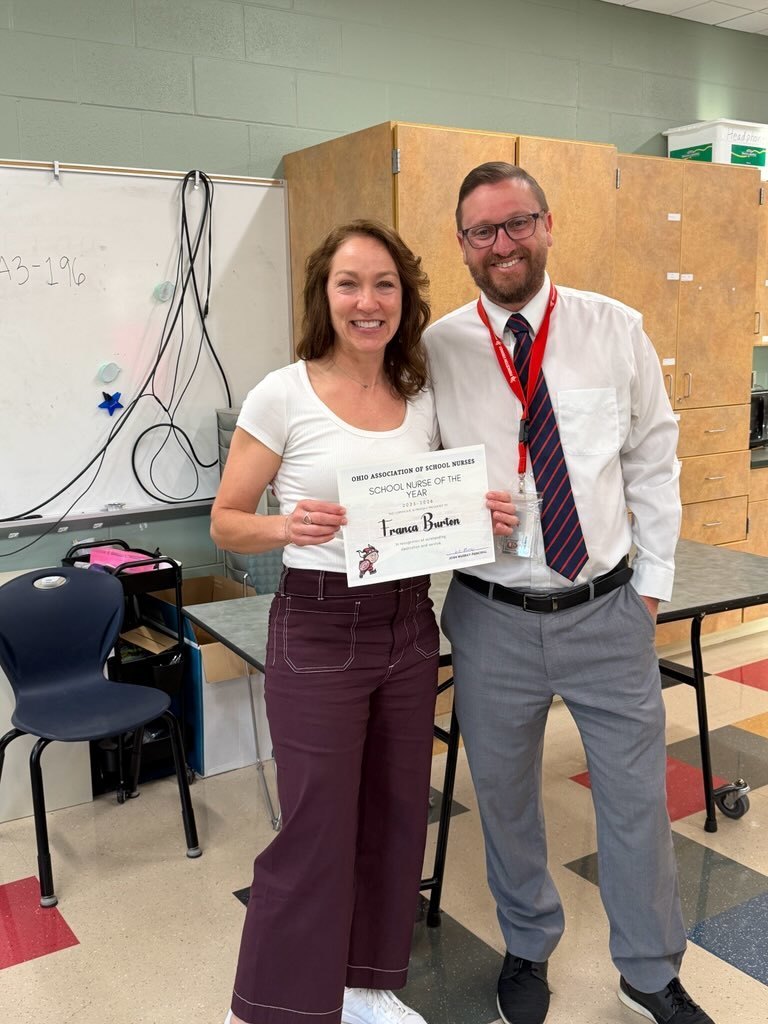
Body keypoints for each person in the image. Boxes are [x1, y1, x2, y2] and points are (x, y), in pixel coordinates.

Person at [424, 163, 715, 1024]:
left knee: (634, 803)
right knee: (505, 799)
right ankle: (526, 944)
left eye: (517, 224)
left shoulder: (613, 328)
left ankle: (649, 973)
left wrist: (651, 590)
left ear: (548, 225)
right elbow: (415, 472)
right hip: (489, 613)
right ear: (463, 245)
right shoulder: (438, 347)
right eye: (483, 231)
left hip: (604, 608)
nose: (502, 244)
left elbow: (653, 462)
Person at [211, 218, 515, 1024]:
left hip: (409, 622)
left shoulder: (420, 395)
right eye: (350, 283)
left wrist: (479, 511)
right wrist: (287, 527)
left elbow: (442, 503)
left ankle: (365, 985)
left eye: (384, 284)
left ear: (404, 298)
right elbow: (226, 521)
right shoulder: (283, 392)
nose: (367, 301)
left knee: (394, 810)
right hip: (317, 625)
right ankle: (275, 1007)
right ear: (324, 294)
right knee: (316, 826)